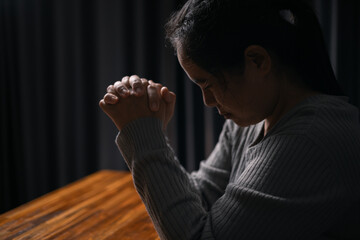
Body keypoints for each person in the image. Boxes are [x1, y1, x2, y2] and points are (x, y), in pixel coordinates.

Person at [99, 0, 360, 239]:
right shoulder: (253, 121)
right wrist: (149, 127)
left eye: (209, 84)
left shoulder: (309, 141)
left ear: (257, 60)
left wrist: (145, 135)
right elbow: (200, 197)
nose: (208, 101)